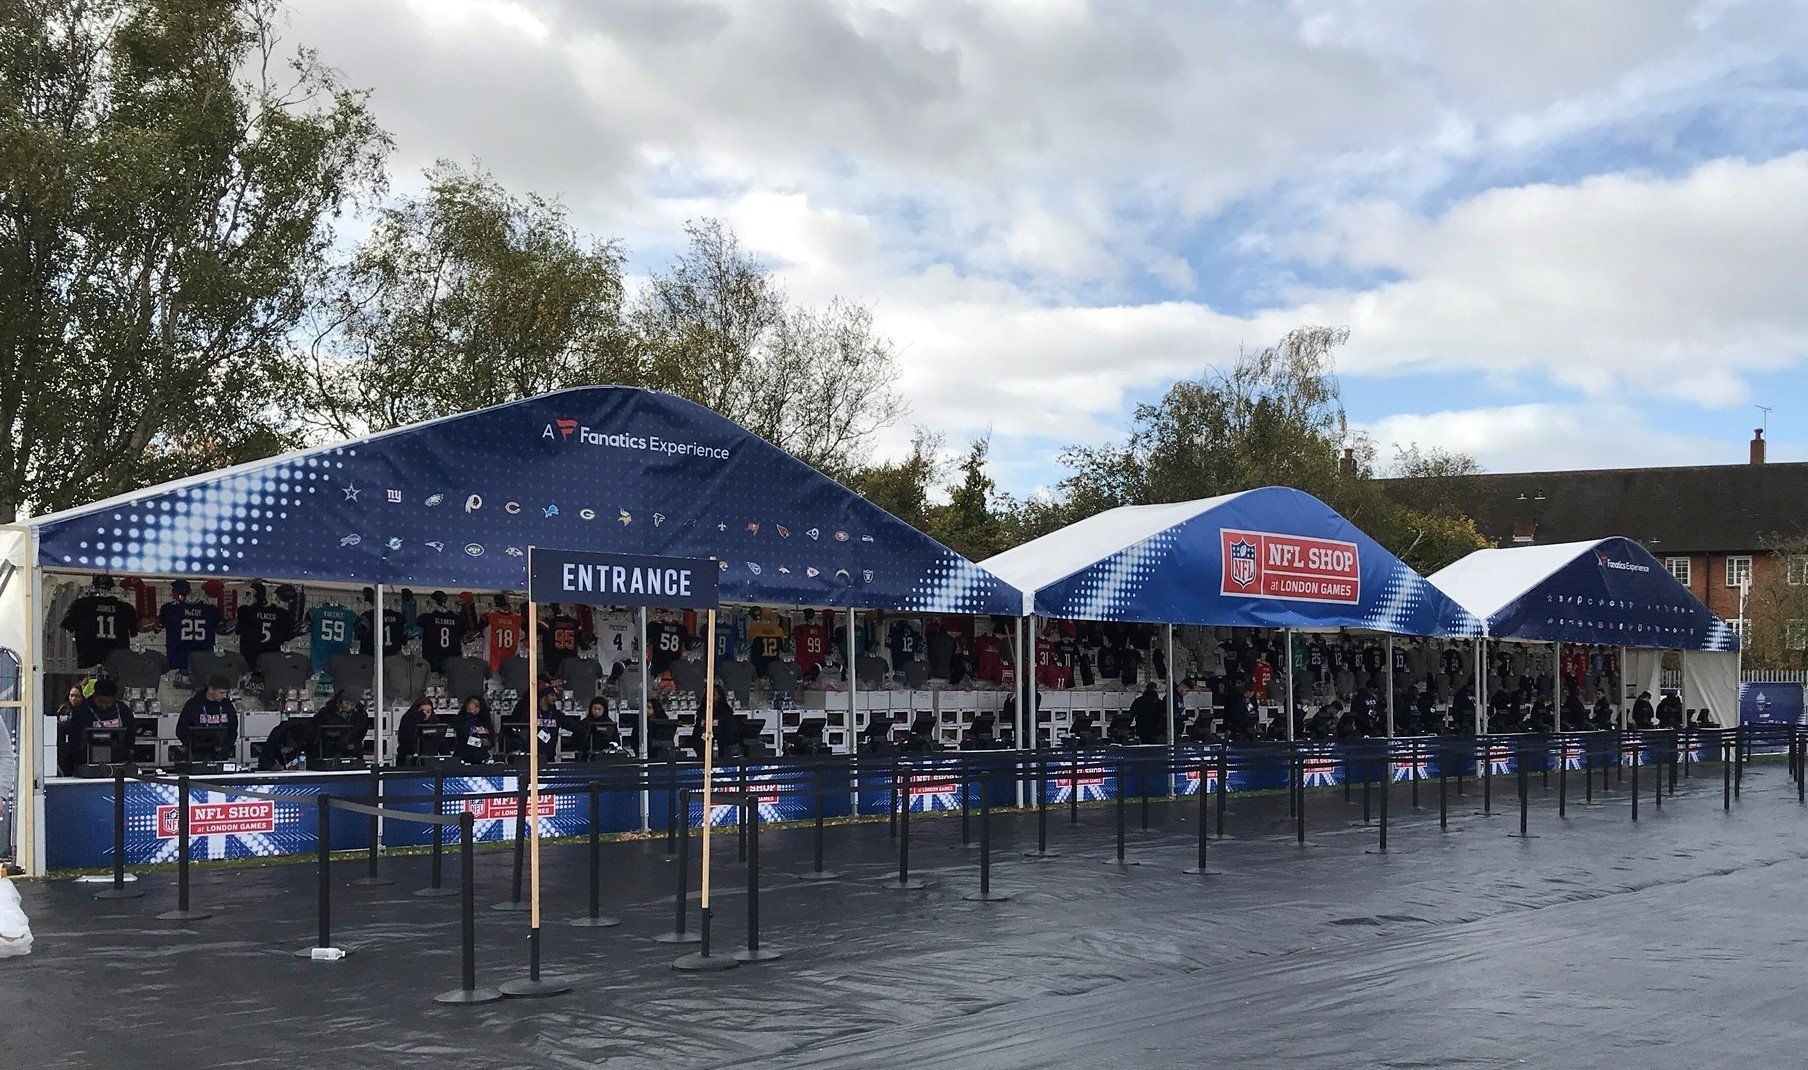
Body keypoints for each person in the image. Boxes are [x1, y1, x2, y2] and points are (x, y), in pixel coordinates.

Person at [69, 677, 135, 766]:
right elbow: (74, 739)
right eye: (100, 702)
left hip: (118, 760)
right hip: (87, 760)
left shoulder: (123, 710)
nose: (104, 706)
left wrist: (129, 750)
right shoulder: (81, 711)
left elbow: (130, 732)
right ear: (94, 695)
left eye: (108, 703)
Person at [175, 676, 239, 761]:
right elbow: (181, 729)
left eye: (226, 693)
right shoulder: (193, 704)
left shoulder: (227, 705)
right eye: (222, 692)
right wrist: (192, 746)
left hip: (221, 755)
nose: (224, 696)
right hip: (197, 755)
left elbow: (233, 729)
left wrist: (226, 747)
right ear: (211, 689)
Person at [397, 695, 450, 764]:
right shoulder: (408, 720)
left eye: (429, 711)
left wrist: (448, 757)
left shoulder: (433, 721)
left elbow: (439, 739)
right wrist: (420, 717)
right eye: (423, 711)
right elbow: (406, 739)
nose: (426, 714)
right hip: (408, 758)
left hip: (429, 758)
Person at [452, 695, 496, 764]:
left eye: (477, 706)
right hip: (463, 758)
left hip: (481, 759)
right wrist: (470, 714)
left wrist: (488, 742)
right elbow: (464, 734)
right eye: (471, 705)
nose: (474, 707)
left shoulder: (485, 720)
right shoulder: (460, 719)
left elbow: (492, 738)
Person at [53, 681, 86, 776]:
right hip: (63, 748)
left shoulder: (85, 710)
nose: (73, 698)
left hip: (79, 748)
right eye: (71, 695)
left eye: (77, 696)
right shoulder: (63, 709)